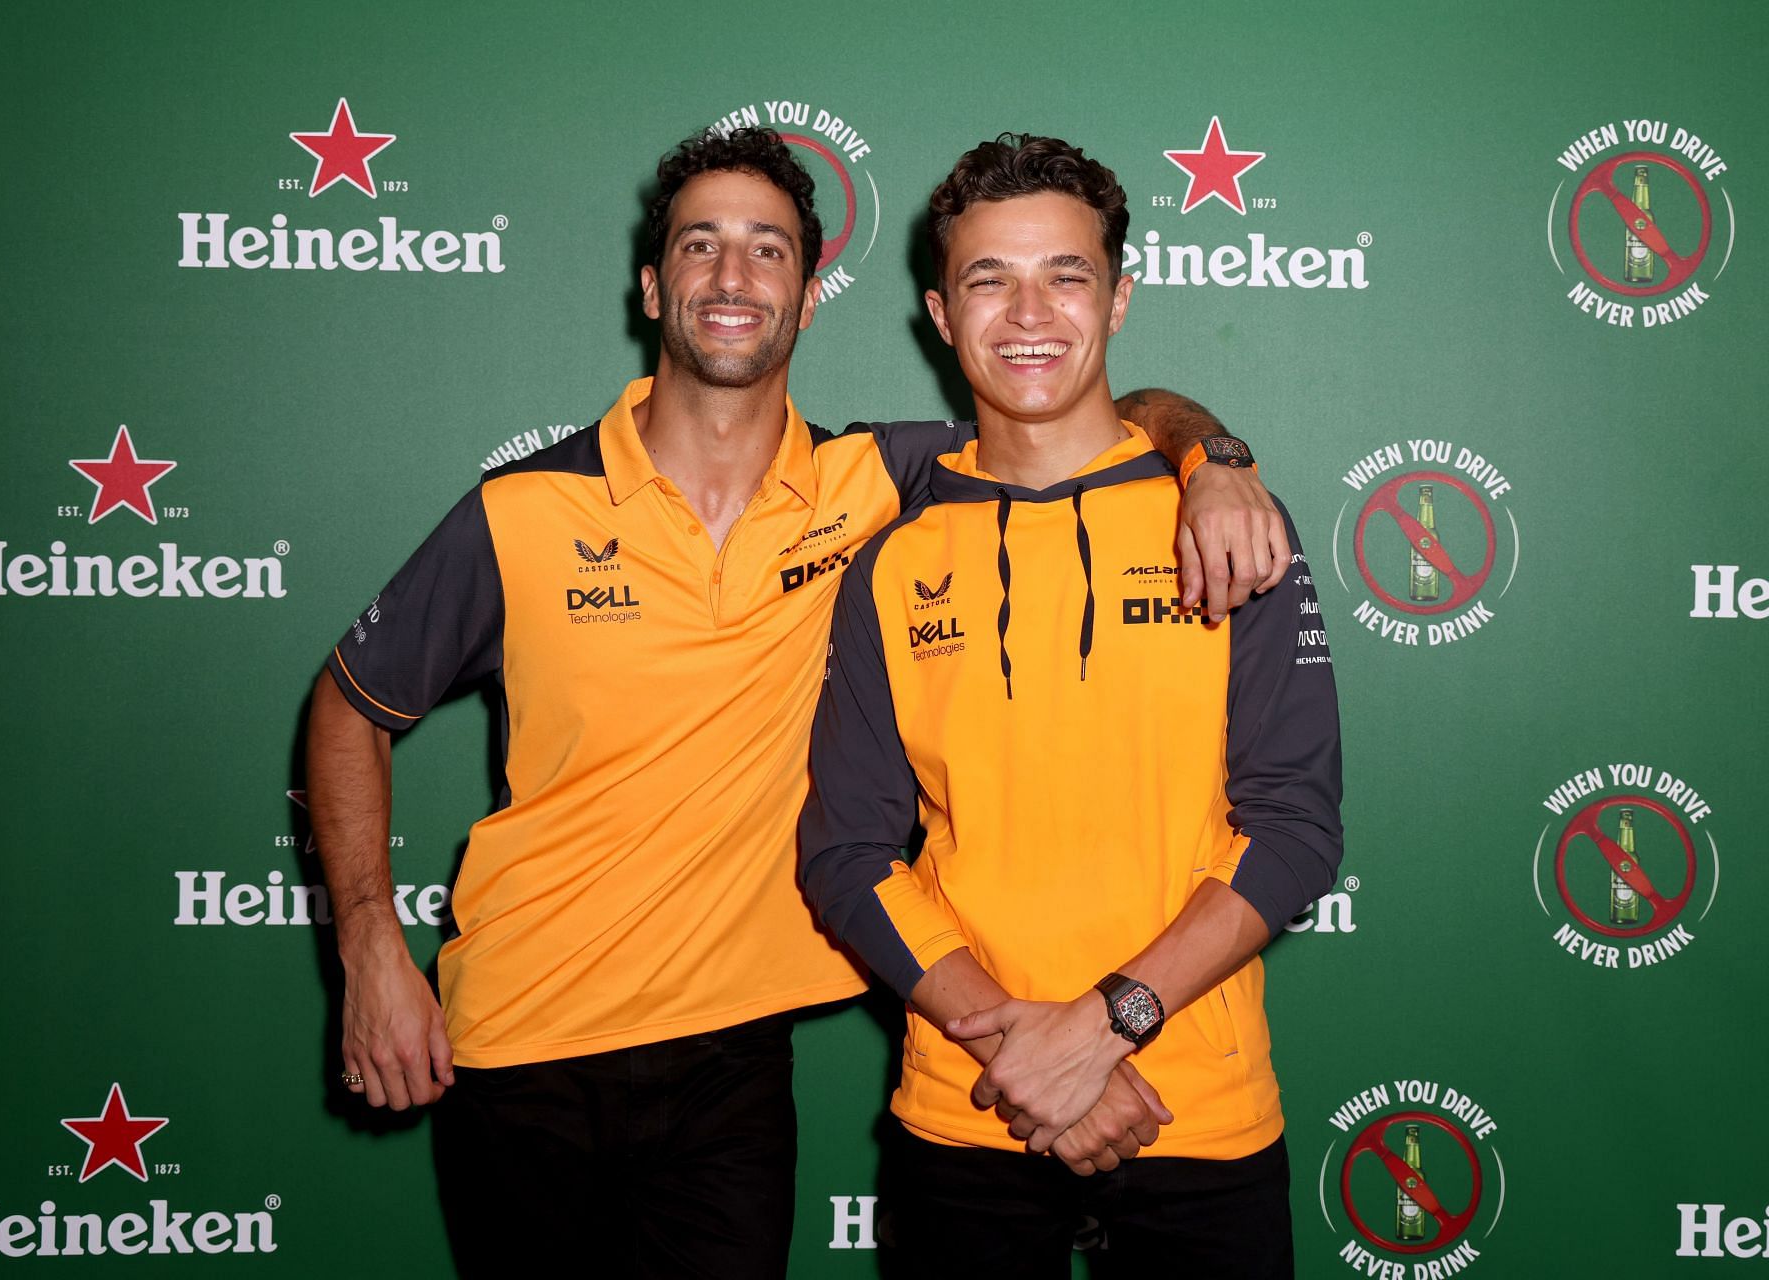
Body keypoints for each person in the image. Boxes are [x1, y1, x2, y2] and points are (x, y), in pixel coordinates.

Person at [305, 126, 1284, 1277]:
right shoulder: (525, 509)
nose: (732, 278)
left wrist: (1214, 454)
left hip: (732, 1062)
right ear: (651, 282)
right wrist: (369, 945)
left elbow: (1081, 407)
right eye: (701, 246)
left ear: (810, 296)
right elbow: (347, 704)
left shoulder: (872, 483)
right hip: (520, 1041)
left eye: (767, 250)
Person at [797, 133, 1344, 1277]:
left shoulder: (1232, 521)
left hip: (1197, 1109)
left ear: (1121, 297)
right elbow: (849, 852)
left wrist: (1101, 1030)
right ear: (941, 316)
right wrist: (1028, 1056)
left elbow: (1293, 827)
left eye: (1067, 273)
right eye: (990, 278)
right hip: (970, 1104)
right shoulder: (891, 563)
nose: (1028, 311)